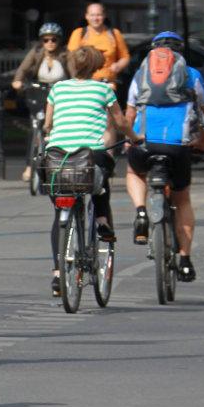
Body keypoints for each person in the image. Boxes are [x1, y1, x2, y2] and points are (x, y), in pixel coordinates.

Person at [42, 45, 133, 295]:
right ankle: (102, 220)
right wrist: (134, 137)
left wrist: (53, 133)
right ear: (96, 66)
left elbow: (48, 124)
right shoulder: (104, 89)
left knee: (59, 210)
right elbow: (120, 122)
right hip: (89, 157)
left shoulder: (57, 89)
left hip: (56, 160)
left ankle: (58, 273)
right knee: (102, 179)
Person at [124, 32, 204, 283]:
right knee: (182, 199)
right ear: (180, 52)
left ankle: (141, 211)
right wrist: (203, 142)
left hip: (145, 143)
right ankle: (184, 260)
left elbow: (129, 113)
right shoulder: (192, 75)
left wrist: (129, 140)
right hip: (178, 146)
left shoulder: (140, 76)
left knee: (133, 172)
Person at [14, 22, 70, 182]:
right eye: (46, 40)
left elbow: (73, 72)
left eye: (54, 39)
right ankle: (29, 166)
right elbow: (22, 70)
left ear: (59, 41)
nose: (50, 43)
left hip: (60, 93)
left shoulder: (66, 54)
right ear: (41, 41)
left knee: (60, 127)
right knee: (35, 128)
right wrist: (18, 81)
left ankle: (62, 164)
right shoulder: (37, 52)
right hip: (39, 93)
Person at [66, 1, 129, 87]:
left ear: (104, 15)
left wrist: (118, 66)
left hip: (108, 84)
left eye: (98, 15)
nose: (95, 18)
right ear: (86, 16)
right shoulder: (79, 33)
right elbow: (72, 58)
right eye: (92, 15)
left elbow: (125, 56)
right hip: (85, 83)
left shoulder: (114, 33)